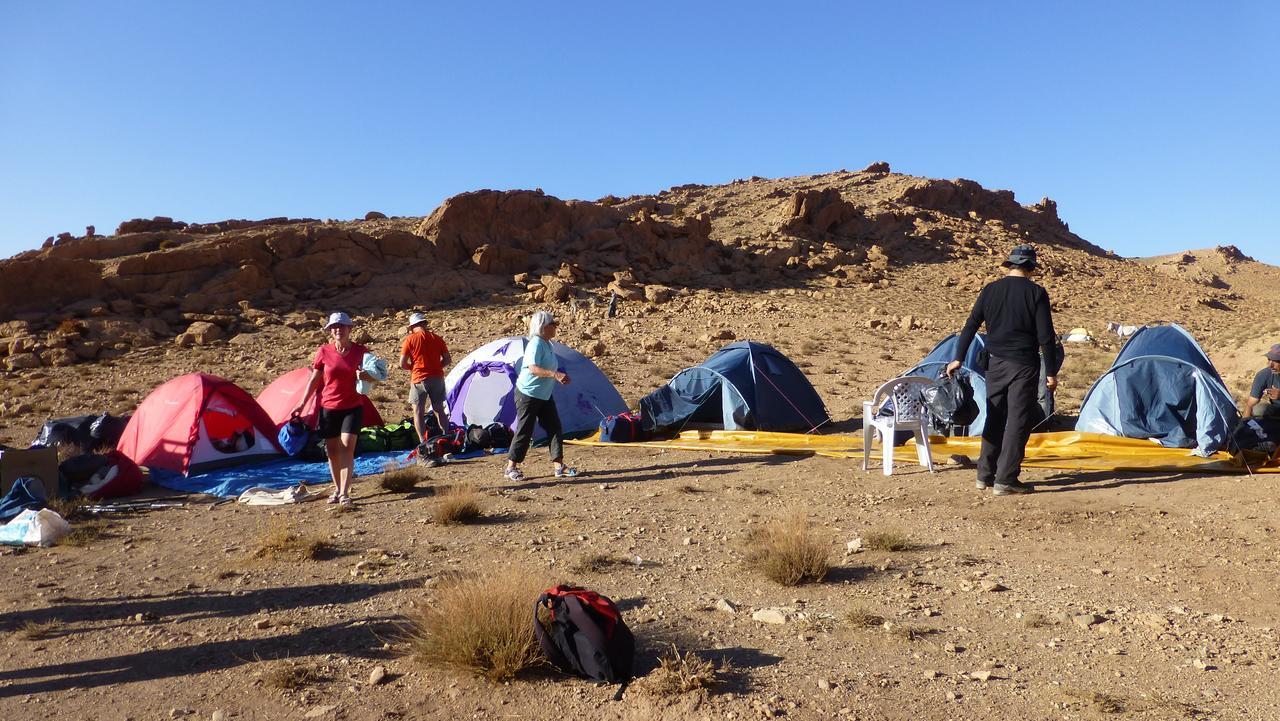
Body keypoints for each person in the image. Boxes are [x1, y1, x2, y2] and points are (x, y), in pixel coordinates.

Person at [946, 244, 1060, 496]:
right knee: (1019, 421)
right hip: (1023, 365)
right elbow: (1046, 337)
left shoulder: (991, 290)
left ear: (1010, 264)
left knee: (995, 416)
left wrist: (958, 358)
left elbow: (970, 325)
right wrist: (1051, 372)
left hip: (994, 363)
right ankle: (1006, 479)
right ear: (1031, 267)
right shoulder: (1036, 293)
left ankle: (984, 475)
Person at [293, 312, 372, 506]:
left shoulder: (362, 351)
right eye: (333, 327)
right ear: (330, 331)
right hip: (329, 407)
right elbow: (315, 379)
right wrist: (303, 402)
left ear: (349, 329)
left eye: (341, 326)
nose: (337, 330)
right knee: (332, 451)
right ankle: (337, 489)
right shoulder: (324, 351)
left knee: (347, 447)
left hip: (353, 406)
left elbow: (377, 376)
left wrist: (365, 377)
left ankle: (345, 492)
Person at [504, 310, 579, 482]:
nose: (555, 327)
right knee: (525, 429)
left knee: (554, 427)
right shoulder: (536, 343)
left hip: (543, 395)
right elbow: (533, 368)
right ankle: (511, 467)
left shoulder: (548, 344)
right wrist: (555, 374)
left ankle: (559, 466)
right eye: (553, 324)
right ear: (543, 327)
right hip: (528, 394)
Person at [399, 312, 451, 443]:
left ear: (412, 327)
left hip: (419, 378)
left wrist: (412, 368)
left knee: (418, 411)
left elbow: (402, 363)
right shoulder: (437, 338)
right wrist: (437, 367)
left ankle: (423, 442)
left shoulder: (410, 340)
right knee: (439, 409)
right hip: (437, 378)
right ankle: (446, 436)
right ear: (425, 323)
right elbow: (447, 359)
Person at [1242, 344, 1280, 418]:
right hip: (1277, 410)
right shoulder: (1263, 375)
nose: (1270, 365)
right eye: (1269, 359)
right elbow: (1250, 405)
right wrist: (1243, 425)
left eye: (1275, 361)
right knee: (1259, 409)